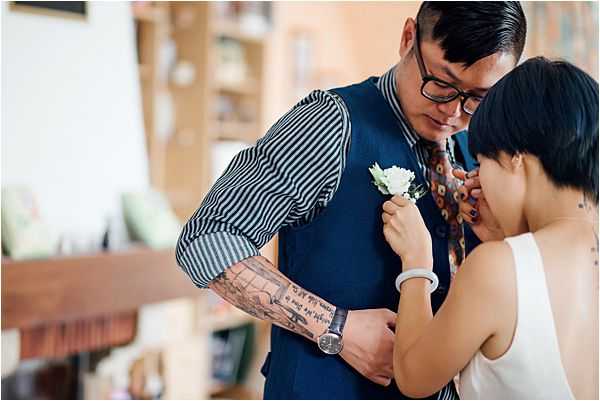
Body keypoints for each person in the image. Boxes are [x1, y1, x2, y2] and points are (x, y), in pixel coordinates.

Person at [176, 2, 527, 399]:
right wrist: (336, 327)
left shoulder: (474, 149)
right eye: (441, 84)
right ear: (408, 38)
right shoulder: (329, 123)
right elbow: (206, 239)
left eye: (477, 98)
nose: (452, 111)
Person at [383, 57, 598, 399]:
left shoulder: (496, 268)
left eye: (482, 162)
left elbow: (412, 375)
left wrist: (417, 261)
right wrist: (511, 239)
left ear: (516, 159)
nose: (477, 178)